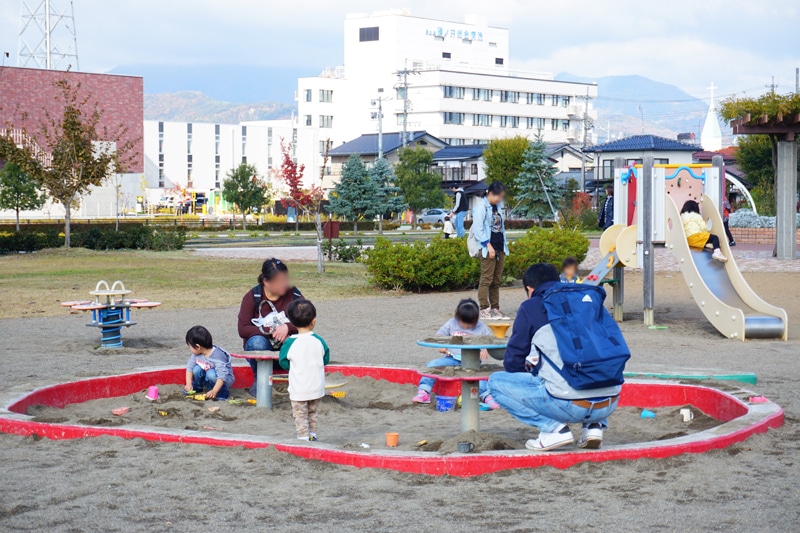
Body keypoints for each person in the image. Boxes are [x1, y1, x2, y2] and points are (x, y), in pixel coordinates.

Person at [488, 264, 623, 452]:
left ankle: (554, 430)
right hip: (609, 402)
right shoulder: (589, 302)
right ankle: (594, 427)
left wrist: (528, 379)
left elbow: (514, 359)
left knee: (495, 382)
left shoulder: (532, 306)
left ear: (530, 289)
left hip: (569, 404)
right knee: (591, 366)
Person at [411, 299, 501, 409]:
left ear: (476, 319)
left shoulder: (481, 327)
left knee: (480, 378)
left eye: (471, 323)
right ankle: (424, 392)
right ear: (457, 317)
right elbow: (439, 335)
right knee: (432, 365)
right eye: (464, 322)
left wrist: (484, 350)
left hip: (472, 363)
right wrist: (442, 346)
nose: (467, 326)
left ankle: (487, 397)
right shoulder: (451, 323)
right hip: (452, 359)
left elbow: (489, 341)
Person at [238, 258, 303, 396]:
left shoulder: (294, 295)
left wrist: (288, 327)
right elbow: (243, 328)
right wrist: (270, 330)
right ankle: (259, 380)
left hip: (287, 352)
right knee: (257, 342)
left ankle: (300, 380)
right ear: (266, 282)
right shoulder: (253, 296)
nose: (285, 284)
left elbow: (308, 318)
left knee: (304, 340)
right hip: (261, 352)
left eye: (286, 279)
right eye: (280, 281)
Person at [279, 299, 330, 442]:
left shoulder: (290, 342)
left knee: (300, 415)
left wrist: (294, 367)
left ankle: (303, 438)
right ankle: (313, 435)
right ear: (313, 321)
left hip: (299, 388)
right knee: (313, 412)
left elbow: (283, 361)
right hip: (317, 387)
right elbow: (325, 359)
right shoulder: (319, 340)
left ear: (292, 322)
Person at [472, 181, 510, 320]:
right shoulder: (481, 207)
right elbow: (478, 229)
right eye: (498, 196)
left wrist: (504, 247)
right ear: (490, 193)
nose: (499, 199)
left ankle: (495, 308)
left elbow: (501, 228)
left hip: (500, 247)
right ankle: (483, 308)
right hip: (488, 248)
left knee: (496, 280)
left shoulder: (498, 207)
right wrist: (488, 245)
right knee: (486, 279)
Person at [184, 325, 235, 401]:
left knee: (211, 373)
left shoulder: (218, 356)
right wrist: (189, 383)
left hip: (220, 382)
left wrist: (214, 391)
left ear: (197, 347)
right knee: (196, 369)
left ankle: (222, 391)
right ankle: (198, 386)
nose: (189, 349)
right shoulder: (196, 354)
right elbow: (189, 368)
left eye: (190, 346)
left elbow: (222, 376)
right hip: (207, 379)